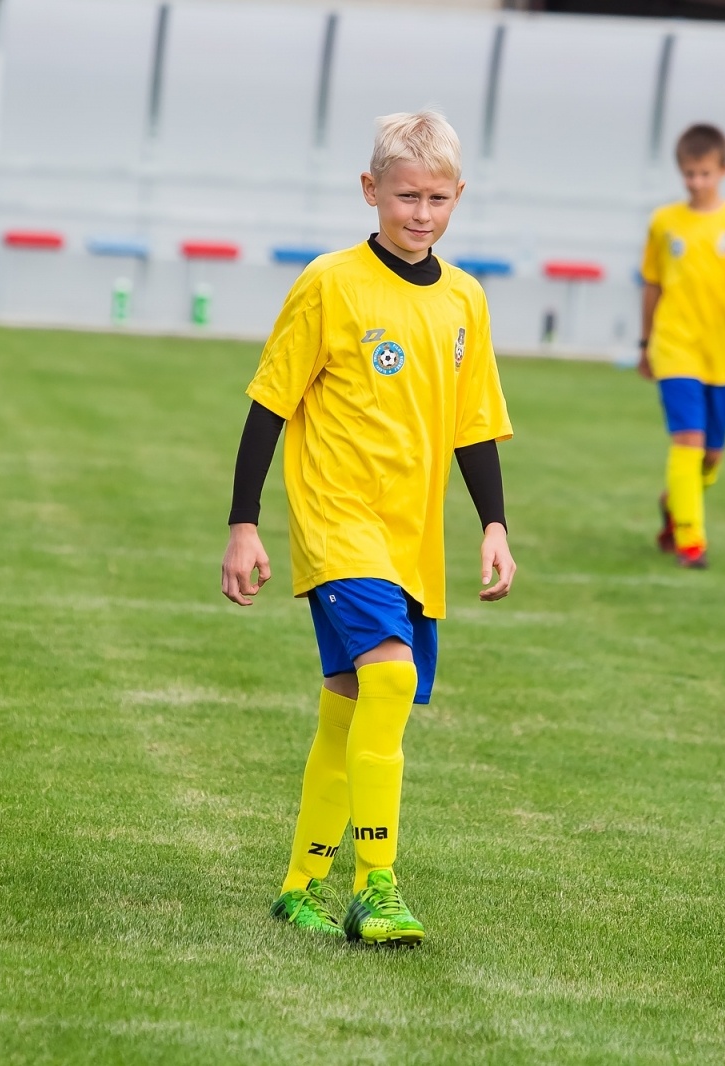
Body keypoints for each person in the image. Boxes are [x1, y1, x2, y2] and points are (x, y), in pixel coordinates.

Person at [220, 110, 515, 948]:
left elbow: (473, 424)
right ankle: (375, 885)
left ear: (458, 197)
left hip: (410, 538)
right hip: (338, 523)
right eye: (404, 196)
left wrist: (493, 525)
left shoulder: (465, 300)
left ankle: (299, 883)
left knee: (350, 706)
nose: (420, 214)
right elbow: (269, 403)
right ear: (370, 191)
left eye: (436, 198)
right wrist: (245, 523)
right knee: (386, 683)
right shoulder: (330, 282)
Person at [639, 123, 725, 569]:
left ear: (723, 170)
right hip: (675, 346)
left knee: (712, 454)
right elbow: (652, 285)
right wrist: (645, 343)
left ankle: (676, 503)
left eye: (705, 174)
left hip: (724, 351)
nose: (697, 182)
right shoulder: (664, 222)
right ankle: (691, 541)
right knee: (688, 441)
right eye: (689, 174)